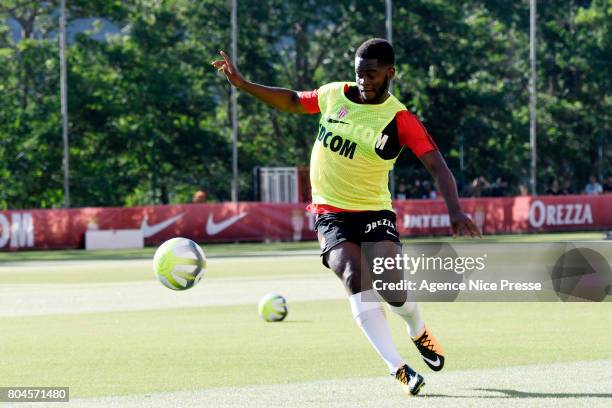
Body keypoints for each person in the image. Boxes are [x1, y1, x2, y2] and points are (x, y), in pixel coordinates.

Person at [212, 38, 480, 396]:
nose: (364, 81)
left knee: (391, 287)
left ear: (390, 73)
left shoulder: (400, 119)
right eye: (359, 74)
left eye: (371, 75)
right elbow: (292, 101)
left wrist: (456, 210)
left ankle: (417, 328)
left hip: (373, 210)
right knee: (354, 276)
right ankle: (397, 367)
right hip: (330, 212)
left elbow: (437, 165)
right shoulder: (334, 94)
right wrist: (244, 84)